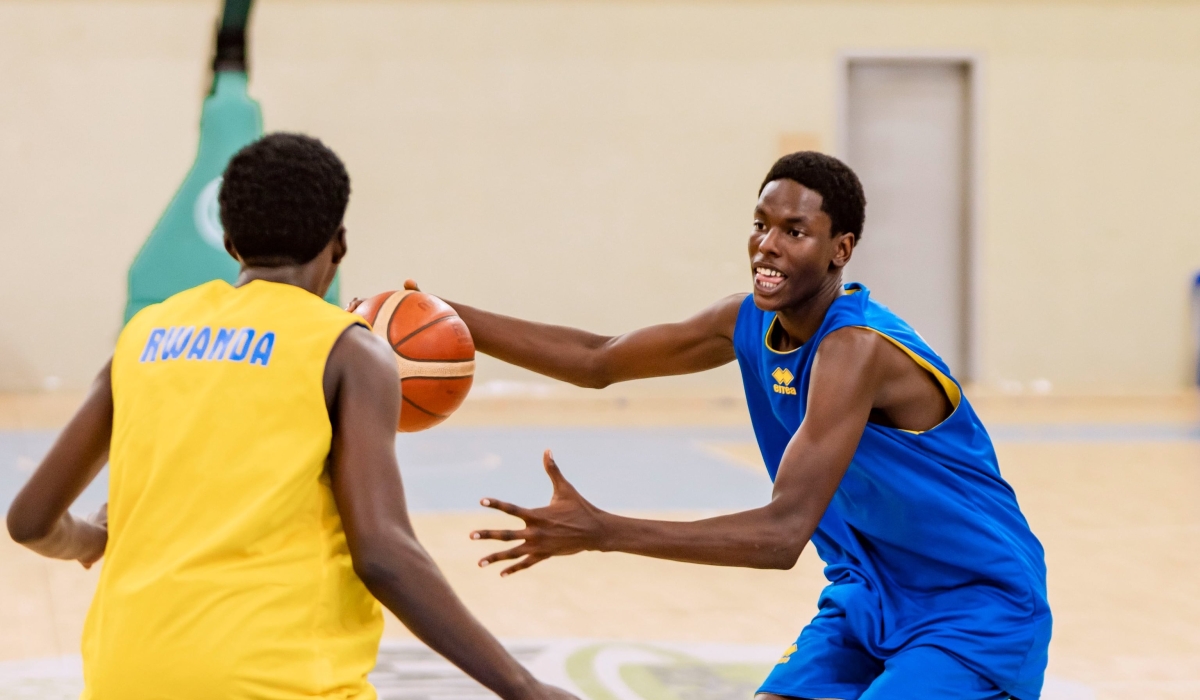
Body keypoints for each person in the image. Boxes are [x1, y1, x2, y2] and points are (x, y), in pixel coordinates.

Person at [397, 152, 1052, 699]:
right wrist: (441, 315)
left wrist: (605, 531)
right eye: (760, 224)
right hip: (867, 598)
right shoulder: (743, 321)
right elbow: (596, 360)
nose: (767, 245)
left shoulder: (856, 349)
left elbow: (780, 535)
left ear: (839, 249)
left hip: (974, 608)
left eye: (793, 231)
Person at [6, 133, 575, 700]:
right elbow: (383, 555)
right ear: (340, 243)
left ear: (229, 242)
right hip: (275, 682)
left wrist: (89, 540)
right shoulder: (347, 350)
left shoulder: (144, 336)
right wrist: (524, 687)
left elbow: (29, 521)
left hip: (122, 680)